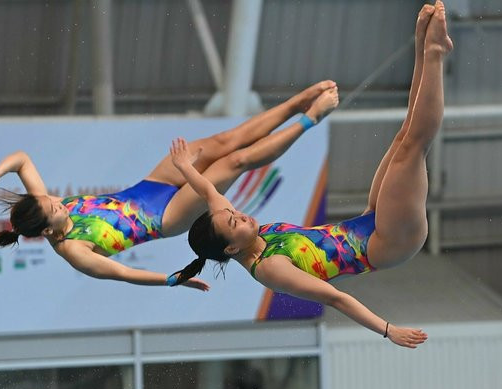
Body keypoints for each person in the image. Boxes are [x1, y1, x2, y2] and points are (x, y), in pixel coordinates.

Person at [168, 1, 453, 347]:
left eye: (232, 213)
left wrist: (185, 168)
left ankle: (424, 51)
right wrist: (388, 329)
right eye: (234, 223)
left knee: (404, 135)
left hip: (368, 221)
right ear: (230, 250)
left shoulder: (240, 233)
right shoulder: (269, 268)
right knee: (413, 147)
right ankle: (436, 52)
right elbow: (334, 297)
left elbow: (209, 192)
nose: (239, 215)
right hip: (387, 243)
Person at [0, 81, 340, 291]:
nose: (58, 201)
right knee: (235, 162)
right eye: (55, 208)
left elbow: (21, 159)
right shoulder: (74, 249)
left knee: (226, 142)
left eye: (52, 199)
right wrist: (172, 279)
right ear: (48, 229)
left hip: (149, 187)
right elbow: (123, 273)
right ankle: (311, 118)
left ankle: (296, 103)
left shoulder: (42, 209)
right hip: (164, 216)